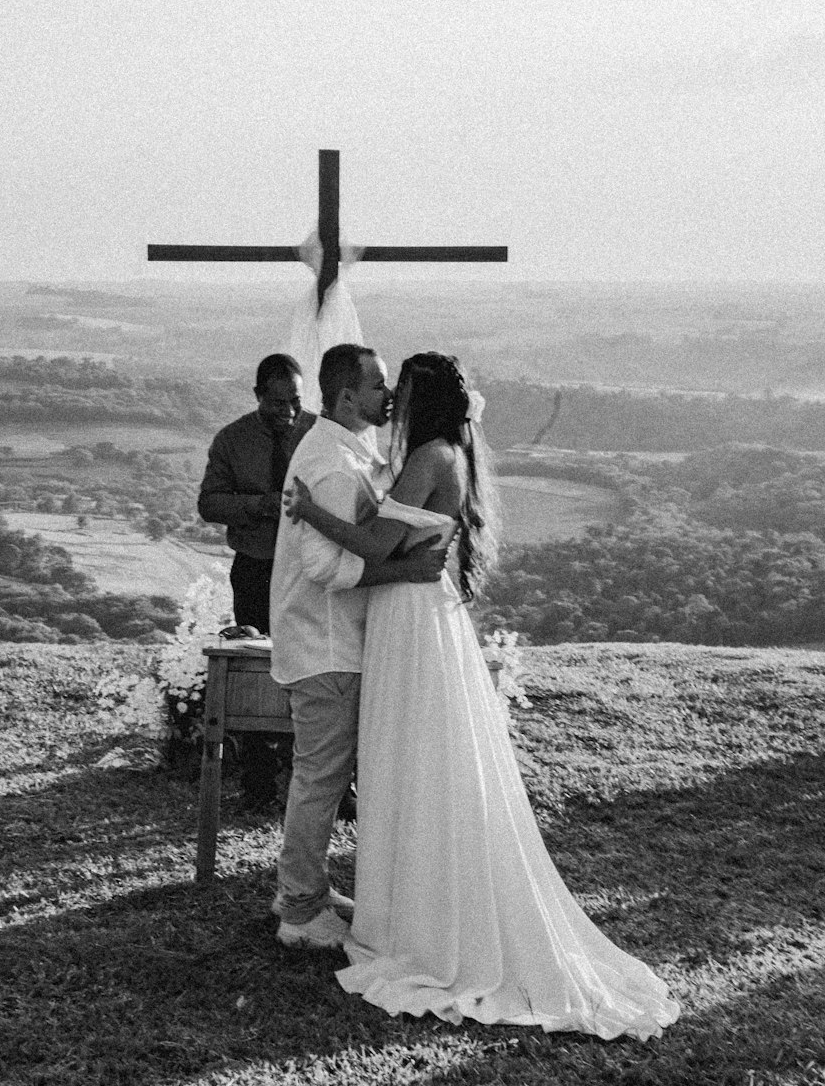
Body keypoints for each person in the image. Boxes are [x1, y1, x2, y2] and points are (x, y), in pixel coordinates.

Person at [283, 351, 680, 1040]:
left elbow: (375, 544)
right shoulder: (444, 453)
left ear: (420, 399)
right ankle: (404, 905)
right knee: (421, 762)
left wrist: (312, 512)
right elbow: (397, 541)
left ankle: (416, 918)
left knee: (415, 761)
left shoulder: (430, 457)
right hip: (417, 613)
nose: (391, 399)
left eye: (398, 389)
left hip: (410, 618)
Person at [269, 343, 447, 949]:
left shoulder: (344, 449)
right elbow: (322, 566)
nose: (387, 395)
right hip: (326, 646)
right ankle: (298, 910)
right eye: (377, 387)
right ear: (347, 397)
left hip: (333, 643)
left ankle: (309, 890)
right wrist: (403, 572)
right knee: (320, 777)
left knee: (326, 774)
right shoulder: (334, 465)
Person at [198, 353, 315, 807]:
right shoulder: (232, 439)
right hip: (256, 567)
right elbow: (209, 504)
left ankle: (317, 774)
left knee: (311, 666)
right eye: (277, 402)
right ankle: (258, 780)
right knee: (256, 667)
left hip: (307, 569)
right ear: (257, 395)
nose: (287, 411)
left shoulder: (317, 432)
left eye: (295, 401)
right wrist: (260, 505)